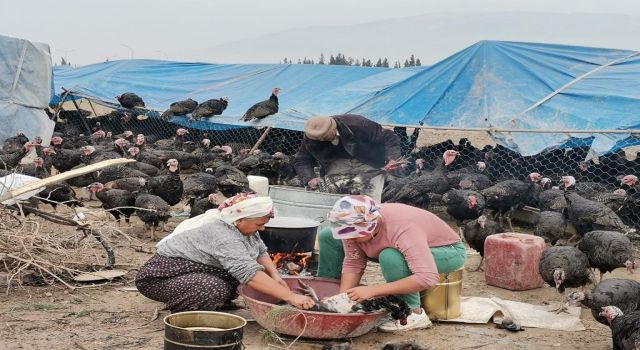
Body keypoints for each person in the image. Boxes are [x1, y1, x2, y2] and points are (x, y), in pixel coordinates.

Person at [135, 193, 316, 312]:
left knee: (236, 283)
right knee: (211, 289)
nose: (262, 229)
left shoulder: (246, 230)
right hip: (160, 278)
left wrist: (275, 274)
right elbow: (249, 273)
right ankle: (186, 316)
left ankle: (208, 303)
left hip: (196, 272)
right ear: (239, 219)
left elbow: (260, 250)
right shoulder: (222, 234)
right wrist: (291, 296)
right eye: (259, 224)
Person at [316, 195, 467, 332]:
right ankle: (330, 291)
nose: (349, 238)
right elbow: (353, 261)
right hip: (391, 246)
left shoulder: (403, 228)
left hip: (445, 251)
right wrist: (342, 299)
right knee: (328, 236)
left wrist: (373, 290)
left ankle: (412, 314)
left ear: (370, 225)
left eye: (353, 233)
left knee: (391, 257)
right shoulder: (358, 224)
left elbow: (427, 277)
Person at [292, 114, 401, 202]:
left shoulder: (356, 123)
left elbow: (388, 137)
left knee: (369, 201)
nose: (321, 140)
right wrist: (309, 178)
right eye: (319, 138)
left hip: (368, 161)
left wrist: (392, 159)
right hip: (336, 165)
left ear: (333, 129)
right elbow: (302, 159)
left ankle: (370, 225)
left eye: (324, 137)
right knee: (336, 201)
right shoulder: (312, 137)